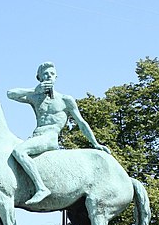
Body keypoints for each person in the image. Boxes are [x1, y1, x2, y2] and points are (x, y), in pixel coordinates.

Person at [7, 61, 111, 205]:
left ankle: (41, 187)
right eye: (45, 74)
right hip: (37, 135)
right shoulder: (35, 97)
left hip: (50, 136)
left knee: (19, 151)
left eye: (51, 74)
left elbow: (81, 123)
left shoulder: (65, 100)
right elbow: (10, 93)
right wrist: (34, 90)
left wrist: (95, 143)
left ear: (56, 77)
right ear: (40, 78)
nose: (48, 76)